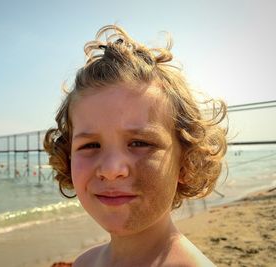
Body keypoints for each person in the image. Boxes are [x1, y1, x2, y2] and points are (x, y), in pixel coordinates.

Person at [44, 25, 227, 267]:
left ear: (186, 162)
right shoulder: (83, 262)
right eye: (90, 145)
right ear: (68, 157)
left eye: (139, 143)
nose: (111, 169)